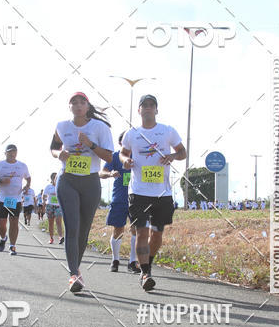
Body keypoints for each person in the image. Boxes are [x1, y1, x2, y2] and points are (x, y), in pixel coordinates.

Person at [120, 95, 186, 292]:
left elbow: (183, 152)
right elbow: (123, 152)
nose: (148, 108)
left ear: (157, 110)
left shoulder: (167, 131)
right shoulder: (131, 134)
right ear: (139, 111)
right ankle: (146, 273)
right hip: (138, 192)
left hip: (162, 193)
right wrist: (125, 160)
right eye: (144, 106)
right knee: (142, 232)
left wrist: (173, 156)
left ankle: (146, 263)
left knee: (157, 235)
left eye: (151, 105)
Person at [51, 91, 113, 292]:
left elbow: (109, 158)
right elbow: (52, 147)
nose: (78, 105)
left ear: (87, 106)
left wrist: (91, 145)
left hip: (90, 181)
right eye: (73, 102)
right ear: (69, 107)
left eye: (82, 102)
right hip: (67, 180)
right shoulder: (62, 126)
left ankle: (75, 268)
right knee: (73, 227)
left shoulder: (99, 127)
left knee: (84, 230)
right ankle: (73, 275)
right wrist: (59, 154)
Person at [100, 132, 140, 273]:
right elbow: (101, 172)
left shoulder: (139, 156)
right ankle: (115, 260)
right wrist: (110, 174)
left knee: (137, 229)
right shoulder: (115, 157)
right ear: (121, 144)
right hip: (120, 198)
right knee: (118, 229)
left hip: (137, 198)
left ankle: (132, 262)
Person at [0, 145, 30, 256]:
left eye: (14, 151)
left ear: (17, 153)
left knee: (14, 221)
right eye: (10, 152)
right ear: (5, 153)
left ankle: (12, 246)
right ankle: (3, 238)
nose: (12, 154)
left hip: (16, 199)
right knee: (1, 224)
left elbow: (28, 178)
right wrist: (1, 181)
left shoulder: (22, 166)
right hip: (2, 199)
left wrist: (27, 186)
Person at [43, 172, 64, 245]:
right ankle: (51, 238)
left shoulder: (61, 186)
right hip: (50, 205)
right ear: (52, 178)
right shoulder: (48, 186)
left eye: (57, 177)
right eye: (54, 177)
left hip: (58, 206)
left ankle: (60, 237)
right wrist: (44, 201)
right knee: (51, 223)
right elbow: (44, 195)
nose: (56, 178)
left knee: (58, 221)